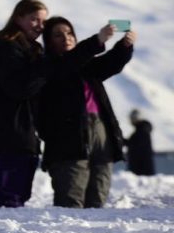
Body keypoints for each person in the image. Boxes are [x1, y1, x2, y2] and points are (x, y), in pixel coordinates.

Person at [0, 0, 110, 211]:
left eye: (43, 21)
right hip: (2, 138)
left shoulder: (30, 51)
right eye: (33, 19)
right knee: (7, 203)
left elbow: (65, 65)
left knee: (17, 198)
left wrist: (104, 44)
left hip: (22, 138)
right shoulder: (7, 49)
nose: (40, 25)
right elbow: (20, 88)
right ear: (18, 18)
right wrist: (47, 63)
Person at [38, 17, 135, 208]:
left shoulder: (85, 65)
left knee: (98, 199)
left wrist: (124, 46)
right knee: (71, 201)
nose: (66, 37)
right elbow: (66, 65)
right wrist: (97, 41)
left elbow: (109, 63)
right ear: (48, 42)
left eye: (69, 33)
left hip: (101, 134)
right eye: (58, 35)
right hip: (67, 142)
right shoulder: (47, 66)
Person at [126, 109, 156, 176]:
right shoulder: (141, 131)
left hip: (141, 170)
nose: (131, 120)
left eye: (132, 118)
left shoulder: (142, 131)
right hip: (141, 169)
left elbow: (137, 148)